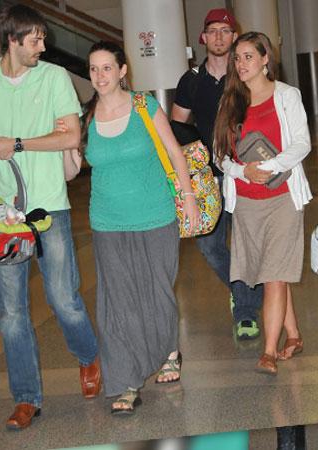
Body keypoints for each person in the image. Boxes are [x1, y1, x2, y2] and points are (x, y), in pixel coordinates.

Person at [0, 4, 101, 430]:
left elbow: (71, 135)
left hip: (48, 204)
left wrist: (15, 144)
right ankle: (26, 397)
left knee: (64, 299)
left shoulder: (55, 78)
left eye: (43, 37)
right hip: (4, 212)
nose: (43, 45)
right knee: (11, 313)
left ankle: (89, 355)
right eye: (36, 39)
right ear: (13, 40)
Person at [79, 41, 200, 415]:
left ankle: (168, 349)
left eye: (106, 68)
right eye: (93, 69)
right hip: (107, 222)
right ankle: (126, 382)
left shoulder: (144, 107)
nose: (100, 76)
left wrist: (190, 200)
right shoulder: (86, 117)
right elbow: (74, 167)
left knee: (158, 292)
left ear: (122, 70)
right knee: (117, 304)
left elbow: (175, 152)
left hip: (155, 215)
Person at [213, 32, 311, 375]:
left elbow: (302, 144)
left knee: (274, 275)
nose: (241, 64)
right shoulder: (230, 101)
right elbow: (220, 155)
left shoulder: (287, 96)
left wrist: (270, 167)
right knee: (271, 272)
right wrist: (243, 171)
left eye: (248, 57)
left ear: (265, 58)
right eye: (237, 58)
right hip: (247, 203)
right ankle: (294, 334)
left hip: (283, 197)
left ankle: (268, 352)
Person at [172, 8, 264, 341]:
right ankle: (246, 292)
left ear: (234, 37)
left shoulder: (244, 77)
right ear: (203, 37)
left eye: (226, 31)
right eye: (213, 31)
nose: (219, 37)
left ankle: (245, 312)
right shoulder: (190, 81)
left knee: (245, 245)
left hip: (243, 173)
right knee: (210, 246)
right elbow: (177, 129)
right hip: (207, 179)